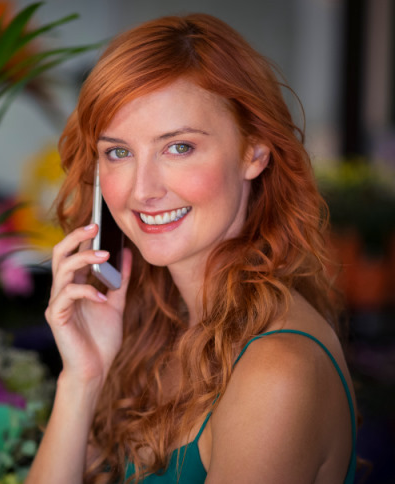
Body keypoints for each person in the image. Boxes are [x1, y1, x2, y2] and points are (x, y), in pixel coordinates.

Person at [26, 13, 357, 484]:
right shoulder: (153, 325)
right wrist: (82, 380)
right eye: (118, 152)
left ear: (254, 152)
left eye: (178, 147)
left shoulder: (275, 371)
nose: (143, 190)